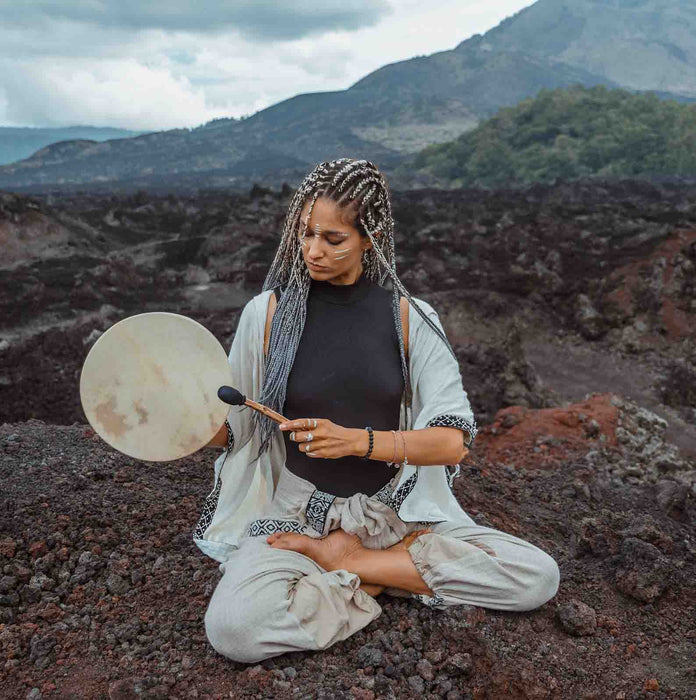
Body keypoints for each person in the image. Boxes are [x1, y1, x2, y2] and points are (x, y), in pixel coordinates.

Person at [194, 158, 560, 664]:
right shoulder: (267, 315)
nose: (313, 251)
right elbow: (235, 431)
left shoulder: (411, 317)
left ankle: (350, 564)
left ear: (370, 237)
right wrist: (166, 424)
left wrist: (356, 441)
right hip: (296, 520)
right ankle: (388, 575)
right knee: (234, 630)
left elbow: (452, 441)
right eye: (304, 234)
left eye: (332, 239)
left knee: (537, 575)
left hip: (395, 512)